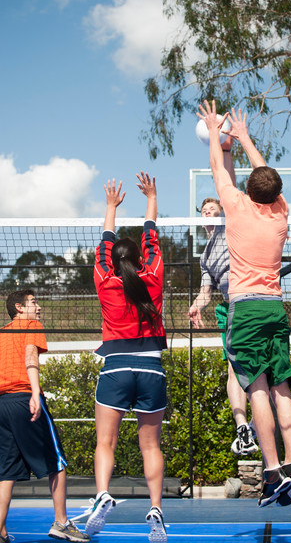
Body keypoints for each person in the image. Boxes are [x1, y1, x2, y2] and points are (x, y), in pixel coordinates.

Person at [197, 100, 291, 508]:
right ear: (277, 194)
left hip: (245, 309)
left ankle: (273, 470)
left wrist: (216, 133)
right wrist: (243, 138)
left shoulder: (237, 207)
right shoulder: (281, 213)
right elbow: (266, 178)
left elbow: (216, 167)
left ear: (249, 190)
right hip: (276, 308)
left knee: (257, 388)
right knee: (282, 386)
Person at [85, 174, 167, 542]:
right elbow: (152, 236)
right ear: (138, 259)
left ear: (114, 261)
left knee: (106, 443)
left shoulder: (105, 280)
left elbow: (105, 243)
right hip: (151, 369)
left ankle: (103, 494)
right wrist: (151, 197)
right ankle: (156, 509)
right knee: (151, 446)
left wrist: (110, 207)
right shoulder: (153, 277)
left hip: (115, 368)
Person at [0, 289, 90, 543]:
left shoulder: (2, 333)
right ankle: (61, 523)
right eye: (33, 302)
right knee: (56, 463)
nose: (38, 307)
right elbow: (30, 355)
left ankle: (1, 531)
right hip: (23, 400)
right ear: (19, 307)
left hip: (2, 405)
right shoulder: (31, 325)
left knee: (6, 472)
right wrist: (35, 393)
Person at [188, 136, 258, 456]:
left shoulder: (230, 226)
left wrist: (225, 149)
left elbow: (227, 183)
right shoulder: (204, 257)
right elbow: (206, 292)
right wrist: (196, 306)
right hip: (232, 308)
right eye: (204, 210)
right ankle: (243, 428)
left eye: (213, 209)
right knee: (233, 369)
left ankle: (258, 423)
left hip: (253, 298)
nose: (208, 213)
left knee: (261, 370)